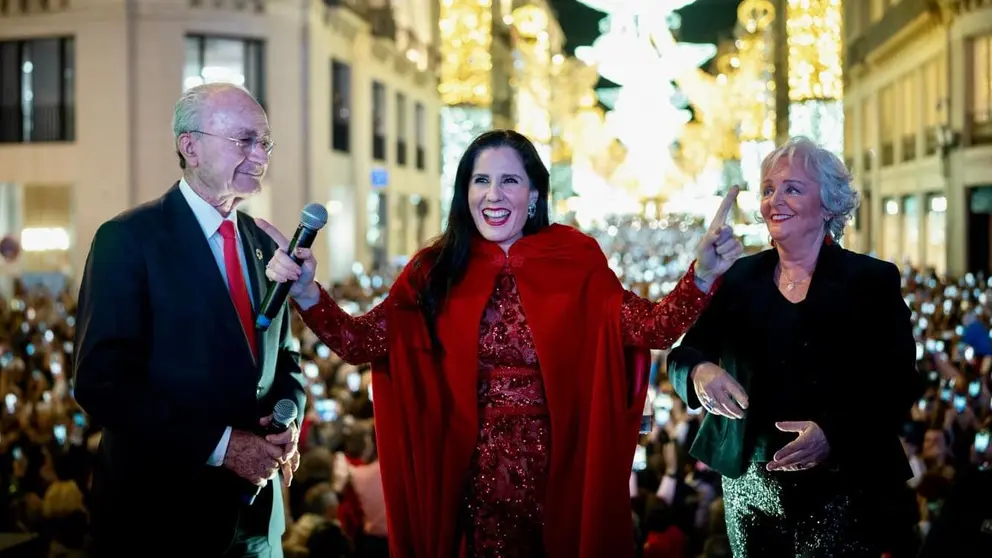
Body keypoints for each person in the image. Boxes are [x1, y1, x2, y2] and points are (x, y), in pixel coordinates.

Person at [257, 129, 743, 557]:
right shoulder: (432, 269)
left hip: (560, 469)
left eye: (509, 180)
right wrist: (306, 293)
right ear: (464, 192)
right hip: (463, 473)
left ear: (534, 193)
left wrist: (701, 275)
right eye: (481, 180)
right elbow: (361, 342)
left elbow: (652, 329)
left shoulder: (575, 256)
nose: (494, 194)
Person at [73, 82, 306, 557]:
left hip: (257, 524)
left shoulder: (263, 242)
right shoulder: (129, 239)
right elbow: (101, 382)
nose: (260, 156)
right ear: (190, 146)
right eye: (245, 141)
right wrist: (223, 446)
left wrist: (288, 417)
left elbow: (284, 356)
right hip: (161, 519)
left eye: (265, 143)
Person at [667, 136, 922, 557]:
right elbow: (683, 354)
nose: (774, 200)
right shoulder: (737, 278)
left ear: (829, 205)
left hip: (843, 489)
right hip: (749, 494)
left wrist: (833, 433)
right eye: (768, 189)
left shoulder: (871, 281)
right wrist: (699, 373)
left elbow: (899, 383)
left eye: (792, 188)